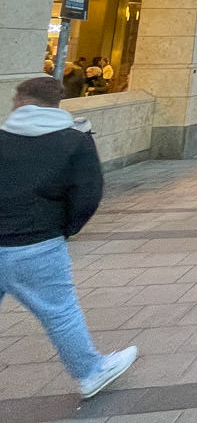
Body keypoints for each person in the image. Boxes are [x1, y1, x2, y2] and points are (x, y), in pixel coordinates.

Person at [0, 76, 138, 398]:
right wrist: (66, 228)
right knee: (60, 312)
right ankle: (91, 372)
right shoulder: (75, 140)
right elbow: (88, 194)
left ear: (22, 100)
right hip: (38, 243)